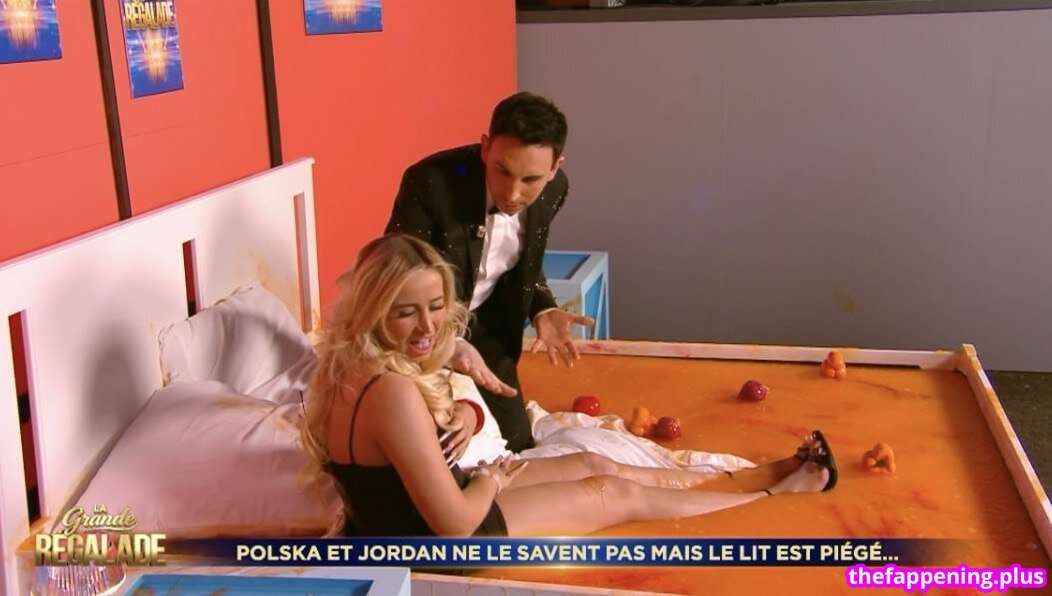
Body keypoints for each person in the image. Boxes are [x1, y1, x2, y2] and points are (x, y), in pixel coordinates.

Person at [302, 234, 837, 537]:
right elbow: (456, 525)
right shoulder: (390, 391)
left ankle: (757, 474)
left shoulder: (350, 366)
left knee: (593, 463)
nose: (428, 327)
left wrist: (468, 418)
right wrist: (491, 479)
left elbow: (410, 444)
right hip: (437, 541)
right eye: (406, 312)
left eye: (437, 306)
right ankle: (774, 494)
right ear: (374, 310)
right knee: (616, 493)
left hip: (417, 511)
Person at [385, 91, 590, 452]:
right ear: (485, 148)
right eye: (502, 171)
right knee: (438, 448)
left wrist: (542, 305)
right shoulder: (428, 183)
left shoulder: (556, 189)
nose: (512, 193)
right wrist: (448, 343)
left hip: (490, 328)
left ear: (555, 168)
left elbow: (520, 258)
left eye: (531, 180)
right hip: (417, 332)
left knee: (517, 445)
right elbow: (397, 279)